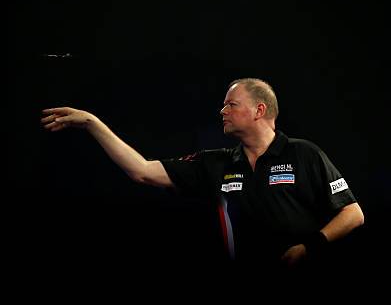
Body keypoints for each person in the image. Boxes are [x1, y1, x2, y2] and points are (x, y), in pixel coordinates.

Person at [41, 77, 364, 270]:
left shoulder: (304, 153)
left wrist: (308, 248)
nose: (222, 111)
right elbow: (142, 171)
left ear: (259, 110)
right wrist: (92, 124)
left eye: (231, 104)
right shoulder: (215, 164)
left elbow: (353, 214)